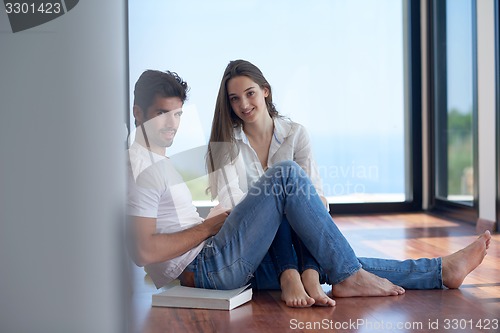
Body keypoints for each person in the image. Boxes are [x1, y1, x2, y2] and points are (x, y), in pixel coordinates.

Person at [127, 69, 491, 308]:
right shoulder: (141, 169)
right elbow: (143, 250)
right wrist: (209, 226)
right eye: (161, 114)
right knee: (285, 175)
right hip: (206, 269)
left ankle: (440, 271)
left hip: (215, 260)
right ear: (138, 113)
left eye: (176, 114)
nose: (171, 124)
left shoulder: (159, 162)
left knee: (334, 261)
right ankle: (348, 275)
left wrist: (215, 226)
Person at [206, 59, 333, 307]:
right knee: (278, 196)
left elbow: (315, 197)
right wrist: (275, 203)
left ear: (265, 90)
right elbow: (233, 205)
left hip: (298, 235)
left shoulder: (296, 134)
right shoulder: (226, 142)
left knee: (301, 199)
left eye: (250, 93)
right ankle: (292, 275)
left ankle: (309, 274)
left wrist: (291, 203)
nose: (243, 104)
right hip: (252, 242)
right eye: (234, 98)